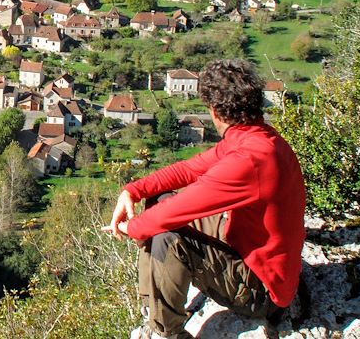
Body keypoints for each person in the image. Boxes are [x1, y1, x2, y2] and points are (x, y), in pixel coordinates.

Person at [103, 59, 306, 339]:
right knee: (159, 200)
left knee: (167, 238)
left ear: (215, 111)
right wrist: (134, 190)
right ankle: (153, 303)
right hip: (249, 250)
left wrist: (132, 229)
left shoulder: (250, 159)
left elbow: (174, 212)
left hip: (262, 292)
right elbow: (189, 169)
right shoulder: (255, 139)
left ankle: (167, 331)